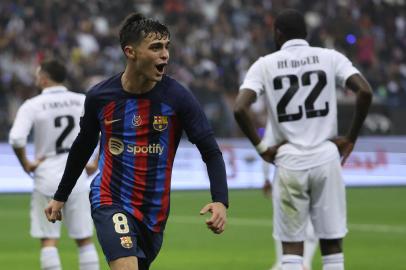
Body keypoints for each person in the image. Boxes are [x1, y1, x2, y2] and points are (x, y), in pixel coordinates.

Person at [44, 12, 228, 270]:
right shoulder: (101, 96)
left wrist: (220, 200)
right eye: (155, 48)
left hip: (153, 212)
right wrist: (60, 196)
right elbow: (83, 146)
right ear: (130, 52)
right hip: (110, 198)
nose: (165, 55)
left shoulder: (178, 98)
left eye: (166, 47)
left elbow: (210, 150)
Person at [234, 9, 372, 270]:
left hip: (289, 162)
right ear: (306, 34)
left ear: (278, 33)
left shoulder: (264, 64)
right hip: (326, 157)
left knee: (291, 251)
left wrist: (262, 148)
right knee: (332, 248)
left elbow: (240, 108)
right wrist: (351, 137)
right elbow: (364, 91)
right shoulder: (329, 58)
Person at [9, 59, 100, 270]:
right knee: (84, 238)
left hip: (47, 174)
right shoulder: (81, 100)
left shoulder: (32, 105)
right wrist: (94, 161)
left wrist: (26, 164)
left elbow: (16, 139)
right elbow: (105, 131)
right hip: (77, 175)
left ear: (43, 78)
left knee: (49, 240)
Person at [260, 125, 317, 270]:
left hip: (288, 170)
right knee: (312, 220)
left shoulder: (277, 107)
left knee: (285, 223)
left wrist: (266, 177)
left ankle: (284, 263)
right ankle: (305, 263)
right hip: (318, 166)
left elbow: (267, 144)